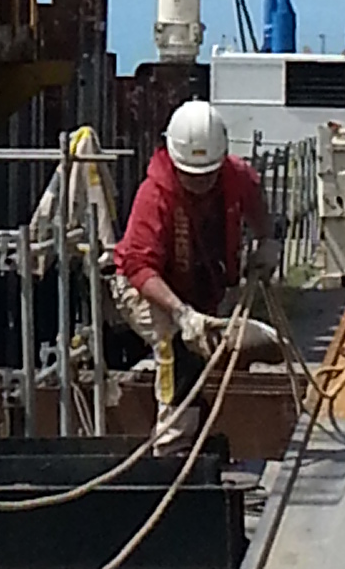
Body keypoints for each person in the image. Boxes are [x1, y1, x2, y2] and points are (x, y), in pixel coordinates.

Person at [114, 100, 268, 442]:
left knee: (204, 348)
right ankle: (172, 441)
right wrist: (181, 313)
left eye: (208, 174)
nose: (201, 184)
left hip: (198, 284)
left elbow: (255, 197)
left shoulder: (234, 176)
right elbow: (139, 266)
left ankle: (195, 418)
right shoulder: (154, 195)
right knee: (175, 345)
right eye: (192, 176)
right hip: (145, 286)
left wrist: (266, 240)